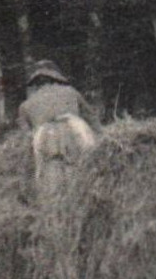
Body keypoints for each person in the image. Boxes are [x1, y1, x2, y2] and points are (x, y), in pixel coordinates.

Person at [17, 59, 97, 195]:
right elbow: (92, 119)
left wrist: (24, 181)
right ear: (56, 78)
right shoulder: (72, 92)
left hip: (44, 137)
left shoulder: (25, 105)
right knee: (86, 169)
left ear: (36, 83)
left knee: (49, 181)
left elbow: (26, 141)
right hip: (76, 131)